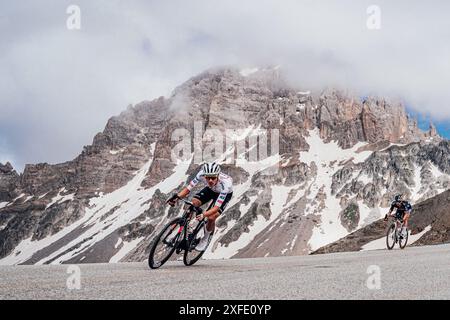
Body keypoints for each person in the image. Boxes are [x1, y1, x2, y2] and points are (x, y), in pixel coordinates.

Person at [167, 161, 233, 251]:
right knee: (194, 202)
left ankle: (205, 239)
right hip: (210, 190)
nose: (210, 180)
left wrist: (204, 215)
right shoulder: (200, 174)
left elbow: (216, 207)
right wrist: (177, 197)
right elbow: (187, 189)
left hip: (223, 194)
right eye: (208, 178)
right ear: (204, 176)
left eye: (213, 178)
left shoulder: (226, 184)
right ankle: (186, 226)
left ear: (218, 176)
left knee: (211, 217)